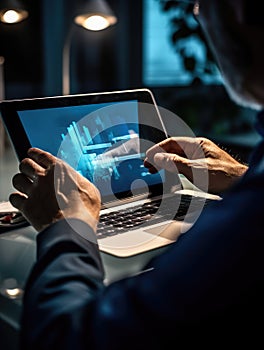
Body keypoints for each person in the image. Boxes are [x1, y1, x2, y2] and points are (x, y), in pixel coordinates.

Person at [9, 0, 264, 348]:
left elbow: (62, 337)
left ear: (238, 11)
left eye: (201, 3)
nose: (196, 14)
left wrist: (68, 224)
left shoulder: (247, 226)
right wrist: (242, 177)